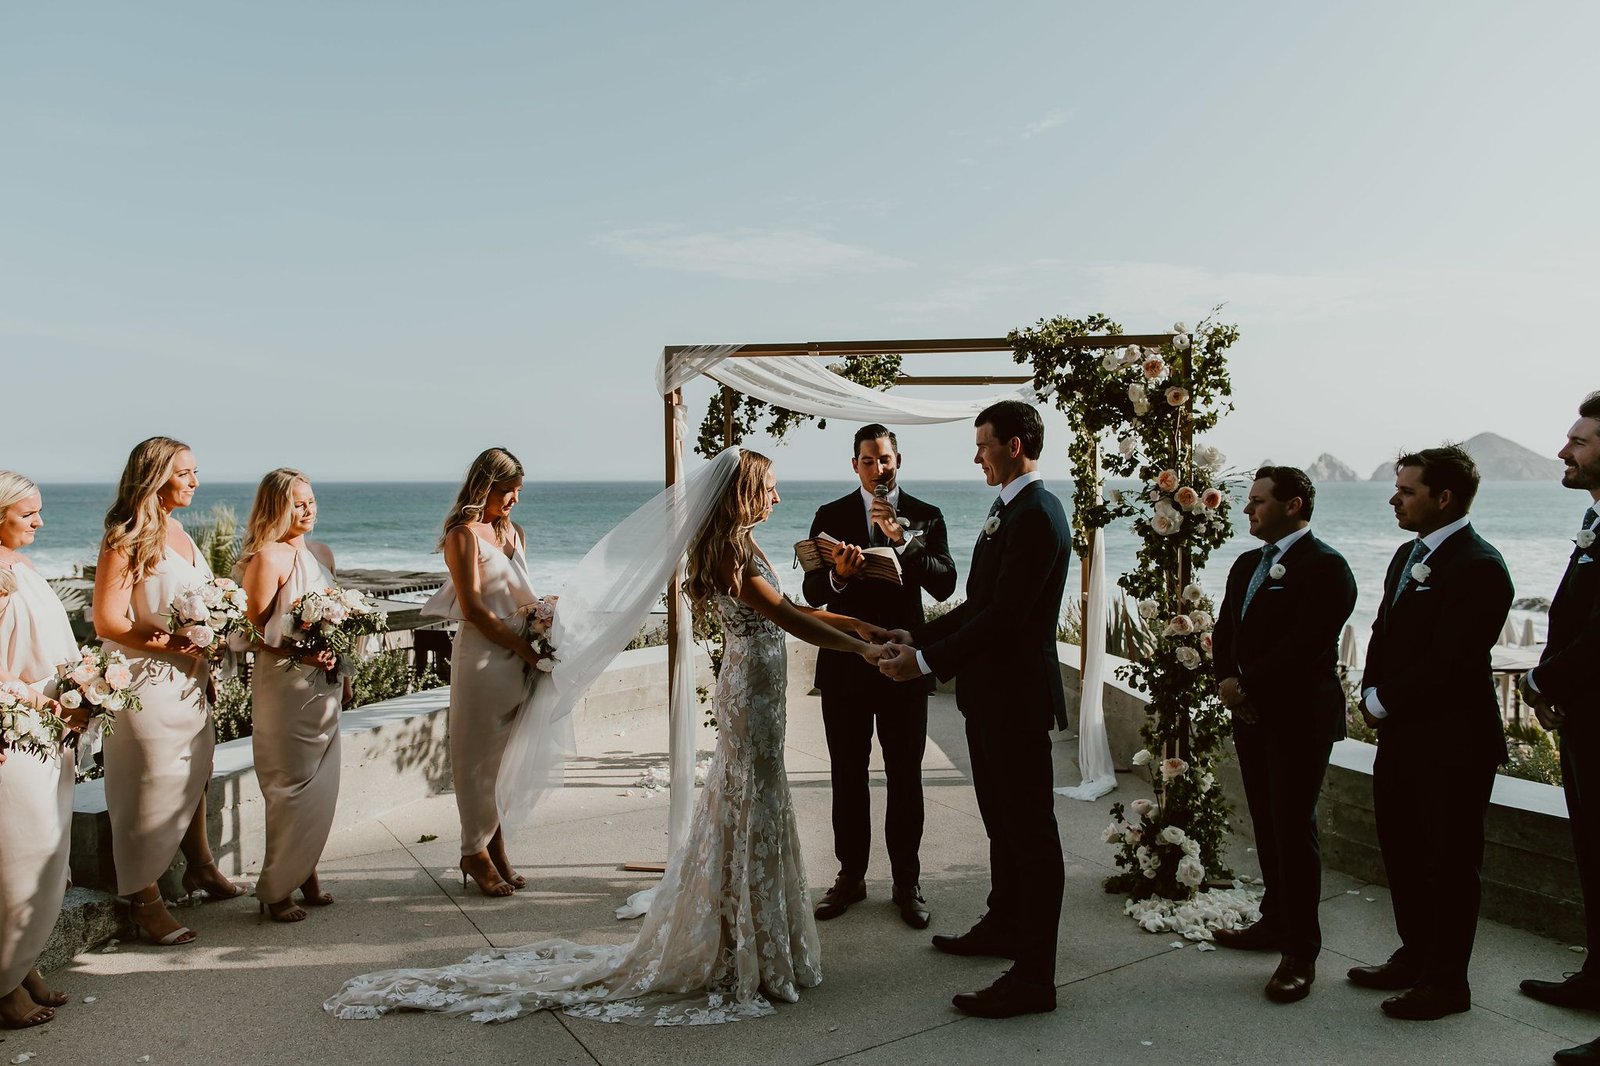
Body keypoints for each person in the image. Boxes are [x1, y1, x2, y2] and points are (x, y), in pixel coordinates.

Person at [326, 448, 894, 1025]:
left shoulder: (745, 543)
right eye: (769, 487)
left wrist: (859, 625)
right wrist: (863, 648)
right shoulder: (727, 549)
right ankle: (741, 942)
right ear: (745, 491)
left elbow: (794, 607)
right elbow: (786, 619)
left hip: (761, 686)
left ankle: (755, 935)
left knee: (756, 802)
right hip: (751, 686)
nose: (776, 497)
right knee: (751, 800)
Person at [878, 399, 1072, 1019]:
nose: (976, 454)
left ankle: (1035, 975)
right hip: (990, 696)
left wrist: (927, 665)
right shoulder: (1010, 509)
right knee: (1002, 824)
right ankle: (1004, 923)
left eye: (984, 443)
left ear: (1014, 445)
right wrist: (923, 637)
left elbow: (1007, 617)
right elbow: (977, 601)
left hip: (1015, 697)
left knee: (1031, 833)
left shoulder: (1039, 515)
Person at [1349, 445, 1512, 1020]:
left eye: (1407, 490)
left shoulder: (1480, 565)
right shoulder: (1405, 554)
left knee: (1448, 863)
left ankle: (1447, 984)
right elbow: (1381, 630)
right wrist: (1369, 691)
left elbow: (1451, 661)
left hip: (1454, 744)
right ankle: (1414, 955)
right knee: (1403, 853)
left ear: (1444, 498)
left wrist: (1384, 700)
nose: (1394, 498)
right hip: (1402, 738)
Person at [1211, 466, 1356, 1003]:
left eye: (1258, 502)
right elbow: (1226, 629)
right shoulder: (1248, 562)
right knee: (1268, 827)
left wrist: (1246, 684)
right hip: (1250, 716)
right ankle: (1273, 921)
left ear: (1293, 506)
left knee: (1295, 831)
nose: (1247, 510)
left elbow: (1307, 646)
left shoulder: (1327, 567)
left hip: (1299, 718)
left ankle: (1301, 952)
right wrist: (1226, 678)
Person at [802, 424, 956, 928]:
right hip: (846, 663)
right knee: (847, 773)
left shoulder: (927, 517)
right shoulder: (830, 516)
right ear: (855, 465)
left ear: (898, 461)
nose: (878, 468)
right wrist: (839, 576)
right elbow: (811, 594)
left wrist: (904, 542)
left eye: (885, 459)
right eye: (868, 460)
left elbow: (945, 585)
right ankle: (851, 875)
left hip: (904, 663)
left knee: (905, 775)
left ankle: (907, 882)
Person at [94, 437, 246, 947]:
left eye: (194, 472)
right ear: (156, 476)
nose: (195, 483)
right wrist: (174, 642)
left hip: (189, 679)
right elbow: (109, 620)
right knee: (149, 789)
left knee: (193, 774)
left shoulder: (180, 531)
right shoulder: (127, 535)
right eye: (185, 474)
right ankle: (143, 900)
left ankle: (200, 865)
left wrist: (211, 634)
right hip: (146, 684)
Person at [1512, 393, 1600, 1065]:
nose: (1564, 452)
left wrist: (1542, 682)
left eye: (1579, 441)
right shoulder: (1592, 519)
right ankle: (1596, 980)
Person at [425, 448, 543, 897]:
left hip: (519, 650)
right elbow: (473, 608)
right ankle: (473, 851)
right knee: (477, 758)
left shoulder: (515, 532)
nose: (513, 498)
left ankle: (496, 847)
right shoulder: (463, 535)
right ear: (483, 486)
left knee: (507, 759)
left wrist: (541, 630)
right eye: (505, 490)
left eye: (518, 491)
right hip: (482, 655)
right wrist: (524, 650)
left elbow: (523, 596)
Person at [238, 469, 348, 923]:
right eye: (298, 503)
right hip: (285, 685)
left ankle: (306, 872)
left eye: (312, 500)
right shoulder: (267, 557)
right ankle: (276, 888)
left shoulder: (321, 553)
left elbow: (338, 618)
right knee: (289, 785)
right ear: (276, 507)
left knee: (321, 785)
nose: (309, 509)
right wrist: (304, 649)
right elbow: (250, 631)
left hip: (326, 682)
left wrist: (339, 661)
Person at [0, 473, 88, 1027]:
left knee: (49, 854)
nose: (39, 522)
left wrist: (86, 688)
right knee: (20, 860)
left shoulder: (23, 568)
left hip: (49, 732)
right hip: (15, 734)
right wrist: (43, 699)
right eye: (28, 513)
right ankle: (4, 986)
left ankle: (21, 965)